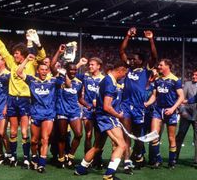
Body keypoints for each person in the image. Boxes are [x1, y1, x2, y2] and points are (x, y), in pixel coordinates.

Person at [0, 20, 46, 168]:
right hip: (12, 100)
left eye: (17, 53)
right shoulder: (11, 63)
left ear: (23, 55)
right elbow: (2, 50)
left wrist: (37, 43)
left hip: (25, 100)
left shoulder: (31, 63)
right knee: (13, 132)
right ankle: (14, 157)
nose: (14, 55)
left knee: (25, 133)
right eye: (14, 53)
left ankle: (26, 158)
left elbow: (42, 57)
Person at [74, 61, 128, 180]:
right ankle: (109, 174)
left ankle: (81, 169)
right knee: (122, 145)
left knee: (97, 146)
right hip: (107, 117)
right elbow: (107, 106)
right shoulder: (109, 82)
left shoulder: (107, 80)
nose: (124, 76)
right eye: (125, 73)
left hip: (100, 117)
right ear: (121, 71)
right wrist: (118, 115)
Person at [119, 27, 157, 172]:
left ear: (140, 61)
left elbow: (154, 57)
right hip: (126, 105)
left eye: (134, 59)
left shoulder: (146, 71)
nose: (131, 61)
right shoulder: (128, 68)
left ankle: (138, 155)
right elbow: (122, 52)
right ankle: (127, 161)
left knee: (138, 136)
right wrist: (127, 36)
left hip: (139, 107)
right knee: (127, 133)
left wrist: (151, 39)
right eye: (131, 59)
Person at [17, 54, 58, 173]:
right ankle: (34, 157)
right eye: (42, 69)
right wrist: (26, 60)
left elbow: (66, 80)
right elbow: (19, 72)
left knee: (45, 139)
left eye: (46, 69)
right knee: (34, 140)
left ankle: (42, 164)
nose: (44, 72)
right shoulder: (32, 80)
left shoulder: (53, 80)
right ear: (37, 71)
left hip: (49, 114)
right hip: (35, 114)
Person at [51, 44, 89, 168]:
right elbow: (52, 66)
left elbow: (79, 98)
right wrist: (59, 51)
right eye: (71, 70)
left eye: (75, 70)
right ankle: (61, 158)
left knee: (78, 134)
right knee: (61, 137)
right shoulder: (59, 79)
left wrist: (87, 105)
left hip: (74, 112)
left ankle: (70, 157)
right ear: (67, 70)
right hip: (61, 111)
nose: (73, 71)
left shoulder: (79, 82)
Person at [144, 59, 184, 169]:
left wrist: (172, 109)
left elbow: (181, 97)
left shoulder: (176, 80)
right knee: (154, 136)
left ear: (167, 66)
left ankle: (172, 161)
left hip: (170, 112)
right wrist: (147, 103)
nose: (159, 66)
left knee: (171, 138)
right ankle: (158, 159)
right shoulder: (158, 80)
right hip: (158, 110)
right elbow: (154, 96)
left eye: (161, 65)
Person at [175, 69, 197, 166]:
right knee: (180, 135)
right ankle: (174, 157)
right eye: (193, 74)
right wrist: (182, 111)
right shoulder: (187, 84)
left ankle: (196, 160)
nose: (194, 76)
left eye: (196, 75)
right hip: (186, 115)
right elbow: (181, 98)